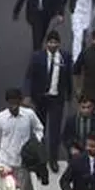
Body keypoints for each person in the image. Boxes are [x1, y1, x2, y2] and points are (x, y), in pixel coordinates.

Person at [24, 32, 73, 171]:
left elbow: (68, 76)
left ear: (59, 43)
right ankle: (41, 157)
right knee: (40, 129)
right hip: (40, 98)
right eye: (50, 42)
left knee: (55, 130)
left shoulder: (65, 57)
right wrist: (27, 94)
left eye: (55, 42)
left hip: (57, 98)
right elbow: (29, 76)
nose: (52, 45)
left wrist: (70, 94)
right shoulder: (37, 57)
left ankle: (53, 159)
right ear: (46, 44)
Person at [0, 88, 45, 190]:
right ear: (7, 102)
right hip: (5, 161)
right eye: (11, 103)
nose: (13, 106)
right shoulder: (0, 118)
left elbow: (39, 129)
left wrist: (34, 143)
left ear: (20, 102)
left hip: (22, 163)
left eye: (16, 102)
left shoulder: (29, 115)